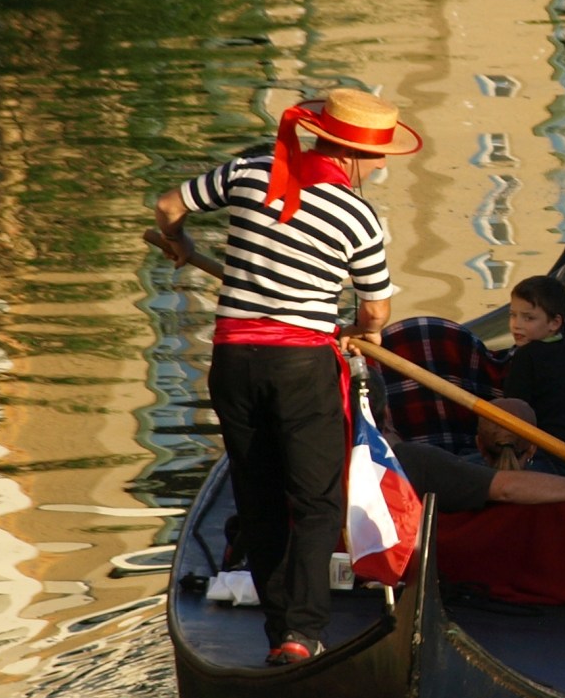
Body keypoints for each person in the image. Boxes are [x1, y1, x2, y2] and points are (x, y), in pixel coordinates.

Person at [148, 87, 419, 667]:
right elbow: (374, 310)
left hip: (232, 364)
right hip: (301, 367)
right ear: (352, 154)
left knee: (259, 493)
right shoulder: (357, 216)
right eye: (379, 157)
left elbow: (169, 204)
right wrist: (359, 331)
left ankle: (280, 633)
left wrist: (179, 244)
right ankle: (302, 632)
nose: (381, 166)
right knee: (317, 500)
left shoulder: (249, 169)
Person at [487, 273, 565, 470]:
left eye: (528, 318)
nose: (517, 324)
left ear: (555, 323)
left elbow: (513, 414)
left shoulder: (526, 357)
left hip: (539, 457)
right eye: (513, 315)